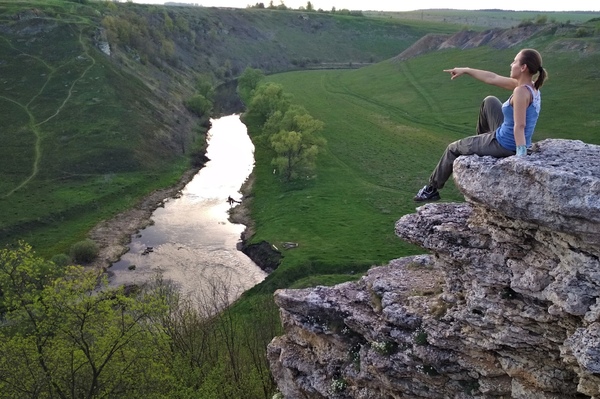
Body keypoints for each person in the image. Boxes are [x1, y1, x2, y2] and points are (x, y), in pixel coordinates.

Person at [414, 48, 547, 202]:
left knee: (452, 148)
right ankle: (481, 143)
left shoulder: (520, 92)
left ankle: (432, 189)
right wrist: (466, 70)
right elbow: (492, 78)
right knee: (489, 101)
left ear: (523, 67)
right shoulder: (531, 87)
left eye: (515, 61)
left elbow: (520, 126)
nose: (511, 64)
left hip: (505, 143)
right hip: (508, 133)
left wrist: (521, 158)